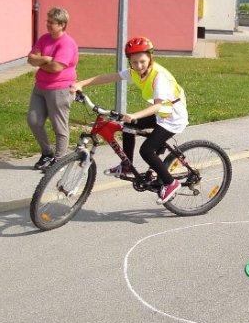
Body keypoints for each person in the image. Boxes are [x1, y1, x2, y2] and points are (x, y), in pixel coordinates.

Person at [71, 36, 187, 204]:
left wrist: (135, 115)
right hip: (161, 113)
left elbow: (157, 106)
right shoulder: (135, 72)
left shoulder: (158, 77)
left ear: (150, 58)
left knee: (146, 150)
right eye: (134, 62)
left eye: (142, 61)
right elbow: (108, 77)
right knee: (127, 125)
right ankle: (127, 165)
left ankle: (171, 183)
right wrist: (81, 83)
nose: (138, 66)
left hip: (172, 116)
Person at [27, 6, 79, 171]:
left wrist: (40, 62)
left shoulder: (67, 43)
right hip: (40, 87)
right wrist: (46, 59)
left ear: (62, 24)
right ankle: (47, 153)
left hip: (60, 89)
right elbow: (30, 59)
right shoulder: (44, 38)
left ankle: (59, 160)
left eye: (52, 22)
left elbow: (57, 67)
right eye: (47, 21)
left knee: (59, 126)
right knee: (34, 121)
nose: (48, 25)